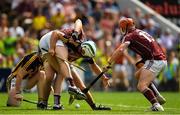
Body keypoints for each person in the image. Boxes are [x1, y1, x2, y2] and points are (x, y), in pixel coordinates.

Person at [39, 19, 110, 110]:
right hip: (50, 41)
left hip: (62, 58)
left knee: (54, 77)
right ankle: (61, 98)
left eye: (82, 55)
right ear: (82, 46)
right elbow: (77, 22)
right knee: (60, 71)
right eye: (81, 52)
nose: (79, 55)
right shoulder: (74, 40)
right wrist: (52, 47)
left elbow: (94, 66)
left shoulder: (86, 53)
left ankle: (93, 106)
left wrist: (103, 77)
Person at [105, 17, 167, 111]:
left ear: (124, 27)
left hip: (154, 60)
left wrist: (109, 62)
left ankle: (156, 105)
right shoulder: (139, 31)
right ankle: (157, 96)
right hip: (159, 59)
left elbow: (121, 49)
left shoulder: (129, 36)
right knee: (138, 74)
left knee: (141, 85)